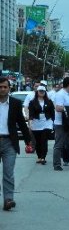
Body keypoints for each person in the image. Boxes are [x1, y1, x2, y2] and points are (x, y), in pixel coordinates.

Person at [0, 77, 32, 211]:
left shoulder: (15, 103)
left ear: (9, 88)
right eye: (0, 87)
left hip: (9, 142)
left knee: (8, 172)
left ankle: (8, 199)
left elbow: (20, 122)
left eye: (5, 87)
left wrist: (28, 141)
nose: (2, 89)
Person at [28, 86, 55, 165]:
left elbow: (52, 113)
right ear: (37, 92)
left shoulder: (49, 102)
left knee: (44, 140)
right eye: (40, 91)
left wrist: (53, 122)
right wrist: (30, 123)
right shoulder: (32, 102)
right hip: (36, 123)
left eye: (43, 91)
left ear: (45, 92)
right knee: (38, 141)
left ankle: (43, 157)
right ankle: (39, 156)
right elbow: (31, 114)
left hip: (47, 122)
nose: (41, 92)